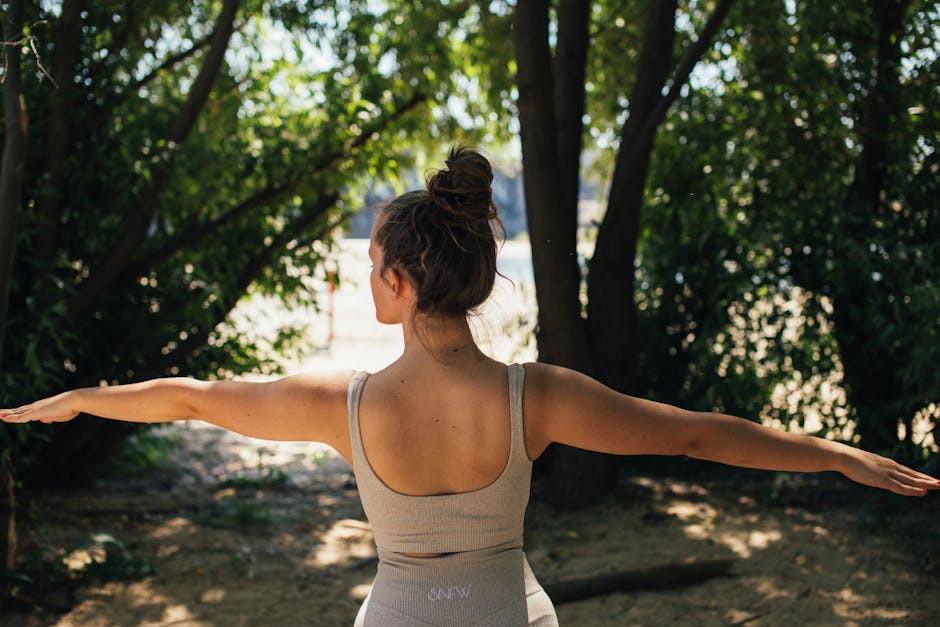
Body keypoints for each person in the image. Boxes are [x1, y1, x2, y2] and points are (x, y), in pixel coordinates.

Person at [2, 147, 937, 626]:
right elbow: (695, 433)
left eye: (374, 267)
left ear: (401, 282)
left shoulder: (344, 404)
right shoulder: (540, 396)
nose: (369, 280)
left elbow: (195, 396)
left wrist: (82, 397)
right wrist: (835, 455)